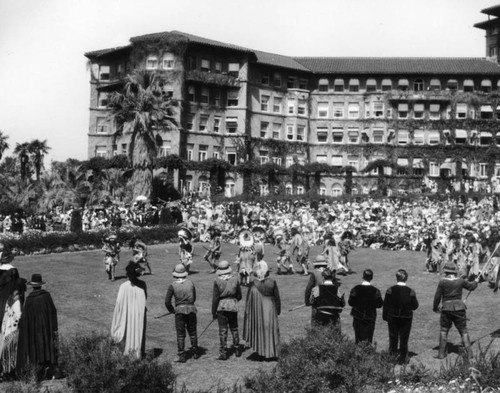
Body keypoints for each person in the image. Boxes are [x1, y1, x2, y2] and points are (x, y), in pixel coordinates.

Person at [433, 261, 478, 359]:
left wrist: (435, 307)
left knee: (444, 331)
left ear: (446, 271)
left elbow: (437, 296)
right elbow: (471, 287)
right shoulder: (461, 280)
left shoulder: (442, 281)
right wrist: (476, 281)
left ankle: (441, 354)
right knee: (463, 331)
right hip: (459, 308)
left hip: (446, 309)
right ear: (454, 271)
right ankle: (469, 354)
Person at [16, 274, 58, 378]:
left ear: (32, 286)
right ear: (40, 285)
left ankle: (37, 372)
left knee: (36, 347)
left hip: (34, 330)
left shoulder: (30, 299)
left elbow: (25, 316)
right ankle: (48, 370)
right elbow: (53, 311)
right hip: (46, 327)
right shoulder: (46, 296)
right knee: (47, 345)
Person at [243, 260, 280, 359]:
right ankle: (272, 352)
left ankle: (261, 352)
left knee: (260, 329)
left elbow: (248, 301)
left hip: (257, 311)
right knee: (270, 329)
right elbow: (277, 298)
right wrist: (278, 310)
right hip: (270, 308)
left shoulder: (252, 284)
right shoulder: (272, 282)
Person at [110, 262, 147, 359]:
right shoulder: (142, 285)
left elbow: (118, 304)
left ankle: (128, 351)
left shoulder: (123, 286)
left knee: (127, 331)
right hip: (139, 314)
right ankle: (138, 353)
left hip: (127, 314)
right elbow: (144, 299)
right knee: (139, 331)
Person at [382, 269, 419, 364]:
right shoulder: (410, 291)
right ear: (406, 278)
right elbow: (415, 306)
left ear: (396, 278)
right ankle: (403, 358)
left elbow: (386, 304)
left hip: (392, 317)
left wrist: (385, 316)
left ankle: (392, 357)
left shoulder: (390, 290)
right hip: (406, 318)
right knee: (404, 338)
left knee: (393, 337)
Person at [0, 243, 26, 376]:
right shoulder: (12, 271)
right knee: (8, 335)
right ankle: (7, 366)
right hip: (8, 304)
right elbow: (17, 289)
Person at [165, 264, 199, 363]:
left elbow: (167, 301)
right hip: (191, 309)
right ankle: (195, 352)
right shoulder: (191, 283)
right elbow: (194, 297)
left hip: (179, 311)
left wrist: (172, 310)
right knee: (193, 332)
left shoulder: (172, 285)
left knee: (180, 334)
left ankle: (181, 355)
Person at [211, 260, 242, 360]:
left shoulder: (217, 281)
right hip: (233, 306)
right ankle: (237, 349)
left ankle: (223, 352)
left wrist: (213, 312)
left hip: (221, 307)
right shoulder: (236, 279)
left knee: (223, 330)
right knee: (234, 328)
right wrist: (233, 300)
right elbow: (239, 295)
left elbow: (215, 298)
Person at [348, 269, 383, 344]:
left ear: (363, 277)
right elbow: (380, 304)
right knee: (369, 339)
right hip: (370, 317)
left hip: (358, 317)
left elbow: (351, 303)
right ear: (371, 278)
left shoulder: (355, 289)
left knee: (358, 338)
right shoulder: (376, 291)